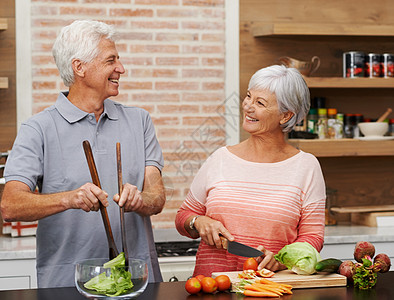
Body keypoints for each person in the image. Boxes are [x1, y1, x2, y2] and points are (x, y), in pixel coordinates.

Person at [1, 20, 166, 288]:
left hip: (137, 282)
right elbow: (10, 205)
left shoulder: (139, 121)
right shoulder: (38, 129)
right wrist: (70, 198)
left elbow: (157, 198)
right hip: (67, 284)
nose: (121, 69)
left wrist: (140, 199)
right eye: (110, 60)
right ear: (80, 67)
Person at [175, 65, 326, 277]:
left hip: (271, 288)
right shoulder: (220, 158)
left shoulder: (306, 167)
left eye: (260, 103)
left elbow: (313, 236)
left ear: (285, 116)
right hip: (212, 288)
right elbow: (183, 217)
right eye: (248, 97)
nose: (247, 106)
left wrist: (282, 259)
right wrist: (198, 221)